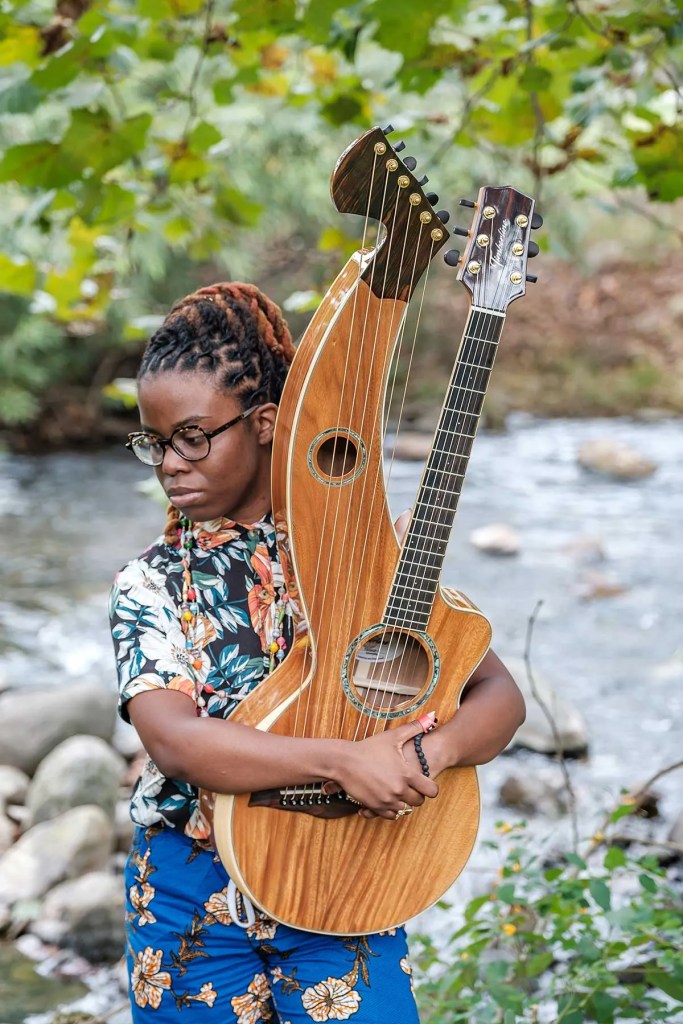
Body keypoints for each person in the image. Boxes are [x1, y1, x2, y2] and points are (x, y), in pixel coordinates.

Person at [110, 281, 526, 1023]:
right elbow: (173, 741)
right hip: (190, 894)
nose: (170, 463)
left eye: (194, 436)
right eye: (155, 442)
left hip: (344, 878)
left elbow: (496, 696)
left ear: (266, 422)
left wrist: (428, 757)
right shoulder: (149, 583)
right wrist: (343, 761)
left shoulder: (358, 559)